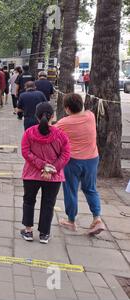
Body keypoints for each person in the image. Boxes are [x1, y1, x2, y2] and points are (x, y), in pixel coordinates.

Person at [55, 93, 106, 235]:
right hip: (92, 159)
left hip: (73, 161)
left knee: (71, 190)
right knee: (90, 188)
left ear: (67, 109)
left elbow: (52, 135)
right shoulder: (90, 116)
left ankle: (71, 221)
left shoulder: (63, 123)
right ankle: (97, 218)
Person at [20, 102, 71, 244]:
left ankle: (28, 231)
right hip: (53, 177)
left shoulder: (29, 133)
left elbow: (26, 152)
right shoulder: (61, 135)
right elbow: (65, 155)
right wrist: (50, 169)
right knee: (48, 203)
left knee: (29, 201)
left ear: (36, 117)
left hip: (31, 174)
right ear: (53, 117)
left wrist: (42, 166)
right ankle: (44, 233)